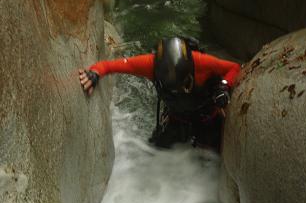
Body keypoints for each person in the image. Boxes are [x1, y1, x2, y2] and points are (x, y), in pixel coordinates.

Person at [79, 37, 241, 153]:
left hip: (207, 117)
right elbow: (108, 66)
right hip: (177, 118)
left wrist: (224, 87)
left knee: (211, 157)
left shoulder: (200, 61)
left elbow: (234, 67)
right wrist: (94, 74)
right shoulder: (149, 64)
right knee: (156, 150)